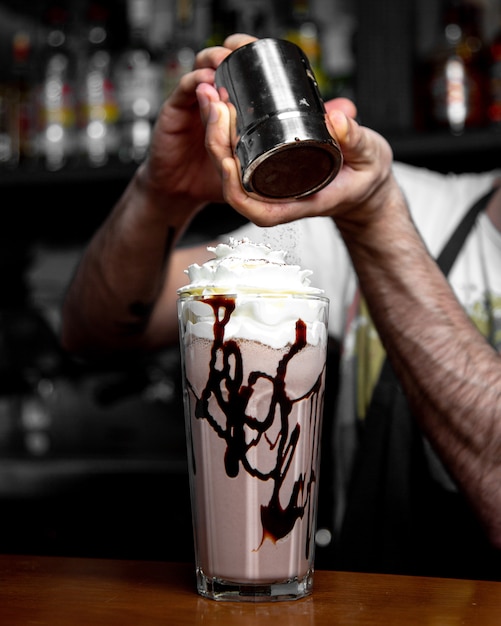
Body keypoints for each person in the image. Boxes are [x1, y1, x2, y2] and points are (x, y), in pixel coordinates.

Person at [61, 34, 501, 580]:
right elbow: (96, 329)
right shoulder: (389, 201)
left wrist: (377, 217)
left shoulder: (379, 205)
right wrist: (161, 195)